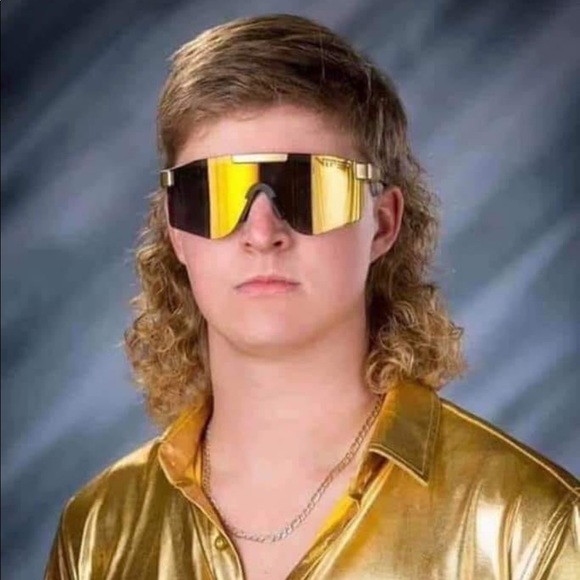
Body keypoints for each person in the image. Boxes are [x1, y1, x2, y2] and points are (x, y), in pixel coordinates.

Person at [44, 13, 578, 580]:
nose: (262, 231)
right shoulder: (99, 530)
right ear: (176, 228)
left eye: (310, 188)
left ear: (382, 224)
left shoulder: (529, 527)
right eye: (216, 192)